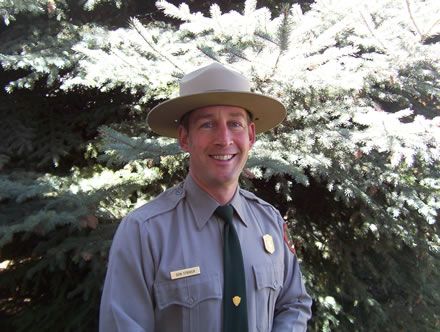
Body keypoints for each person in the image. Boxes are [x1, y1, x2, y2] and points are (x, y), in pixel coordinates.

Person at [99, 62, 312, 332]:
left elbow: (293, 305)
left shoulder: (269, 221)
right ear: (184, 138)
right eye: (207, 125)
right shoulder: (145, 232)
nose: (224, 139)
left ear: (250, 135)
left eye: (235, 123)